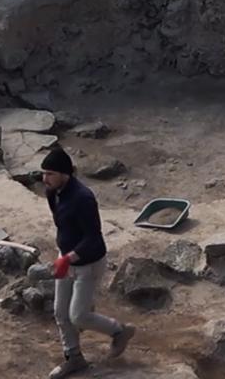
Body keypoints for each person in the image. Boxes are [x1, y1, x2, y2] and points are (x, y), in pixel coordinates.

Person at [42, 147, 135, 378]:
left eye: (50, 173)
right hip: (66, 258)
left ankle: (119, 331)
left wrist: (69, 257)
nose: (45, 179)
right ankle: (74, 358)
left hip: (88, 263)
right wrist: (62, 254)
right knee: (60, 312)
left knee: (78, 316)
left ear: (65, 174)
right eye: (43, 173)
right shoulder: (53, 192)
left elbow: (93, 236)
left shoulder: (83, 198)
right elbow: (62, 224)